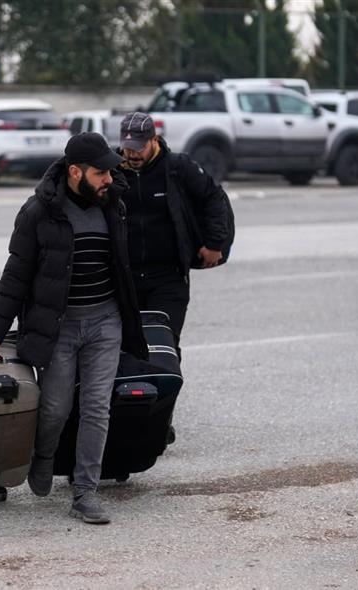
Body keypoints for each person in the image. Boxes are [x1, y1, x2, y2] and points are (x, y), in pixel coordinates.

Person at [0, 132, 148, 525]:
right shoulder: (39, 212)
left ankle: (85, 492)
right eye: (101, 172)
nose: (109, 179)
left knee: (97, 408)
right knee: (54, 407)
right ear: (75, 172)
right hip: (59, 328)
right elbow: (16, 274)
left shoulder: (112, 205)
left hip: (106, 322)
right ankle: (44, 455)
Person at [117, 112, 232, 441]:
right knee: (123, 347)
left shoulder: (177, 168)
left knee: (163, 350)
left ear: (154, 140)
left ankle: (159, 422)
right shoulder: (113, 170)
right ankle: (124, 415)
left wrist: (214, 244)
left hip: (167, 276)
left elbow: (214, 199)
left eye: (139, 147)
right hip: (125, 278)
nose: (133, 154)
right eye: (128, 148)